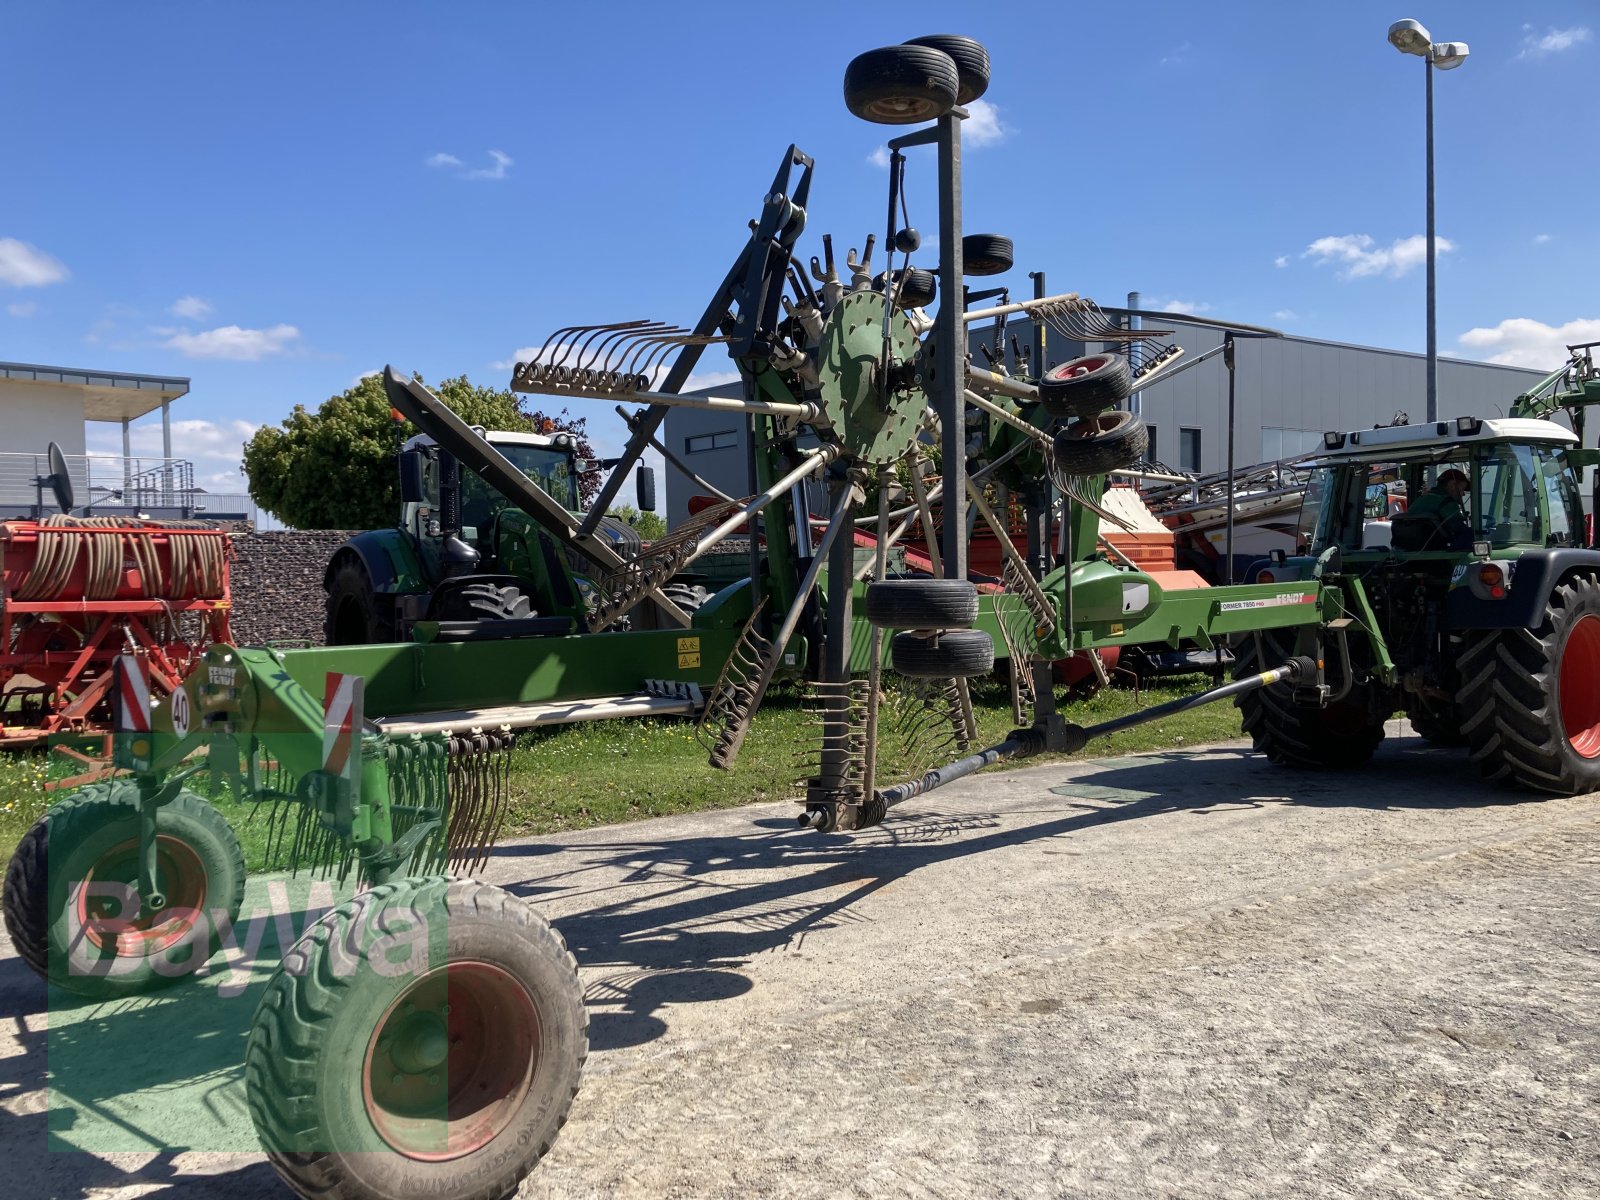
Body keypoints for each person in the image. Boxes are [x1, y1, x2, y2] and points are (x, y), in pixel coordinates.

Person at [1406, 467, 1470, 549]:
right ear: (1452, 485)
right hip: (1437, 552)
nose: (1463, 494)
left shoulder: (1420, 500)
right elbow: (1459, 529)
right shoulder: (1447, 503)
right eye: (1462, 489)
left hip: (1412, 551)